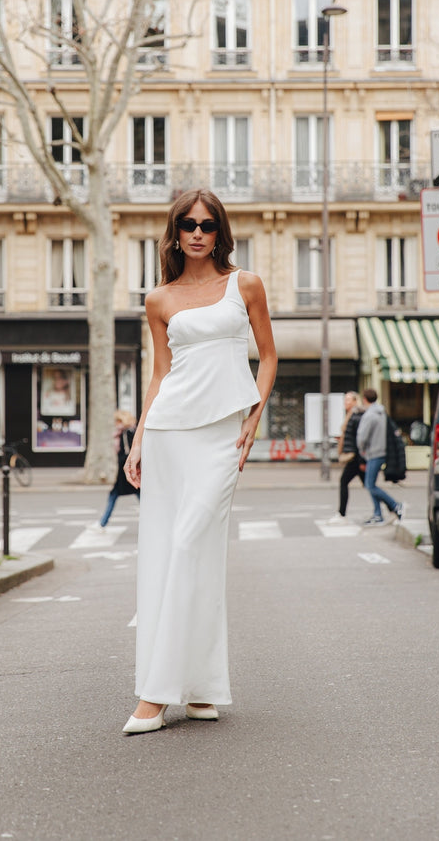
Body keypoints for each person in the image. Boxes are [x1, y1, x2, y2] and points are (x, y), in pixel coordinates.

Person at [121, 188, 277, 734]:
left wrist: (253, 418)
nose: (196, 233)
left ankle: (155, 696)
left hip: (221, 437)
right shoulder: (158, 299)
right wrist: (139, 437)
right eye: (187, 224)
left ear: (220, 232)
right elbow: (161, 373)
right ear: (175, 230)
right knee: (174, 556)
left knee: (191, 545)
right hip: (168, 431)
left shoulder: (245, 285)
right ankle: (203, 688)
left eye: (207, 225)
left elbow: (269, 354)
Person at [356, 389, 404, 526]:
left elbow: (362, 437)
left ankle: (395, 505)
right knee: (370, 483)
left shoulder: (369, 415)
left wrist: (362, 450)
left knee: (370, 485)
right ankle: (377, 513)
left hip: (373, 452)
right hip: (383, 451)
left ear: (365, 399)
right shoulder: (381, 412)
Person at [327, 391, 364, 522]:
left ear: (355, 401)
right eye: (345, 400)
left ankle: (341, 514)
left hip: (355, 456)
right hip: (354, 455)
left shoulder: (356, 415)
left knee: (344, 482)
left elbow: (360, 438)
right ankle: (392, 508)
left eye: (348, 400)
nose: (345, 402)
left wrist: (362, 459)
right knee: (370, 486)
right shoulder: (351, 415)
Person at [99, 410, 139, 527]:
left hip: (125, 471)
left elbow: (126, 452)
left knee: (114, 495)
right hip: (128, 470)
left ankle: (102, 523)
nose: (115, 424)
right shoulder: (131, 431)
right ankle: (102, 523)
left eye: (117, 421)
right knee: (138, 495)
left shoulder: (125, 433)